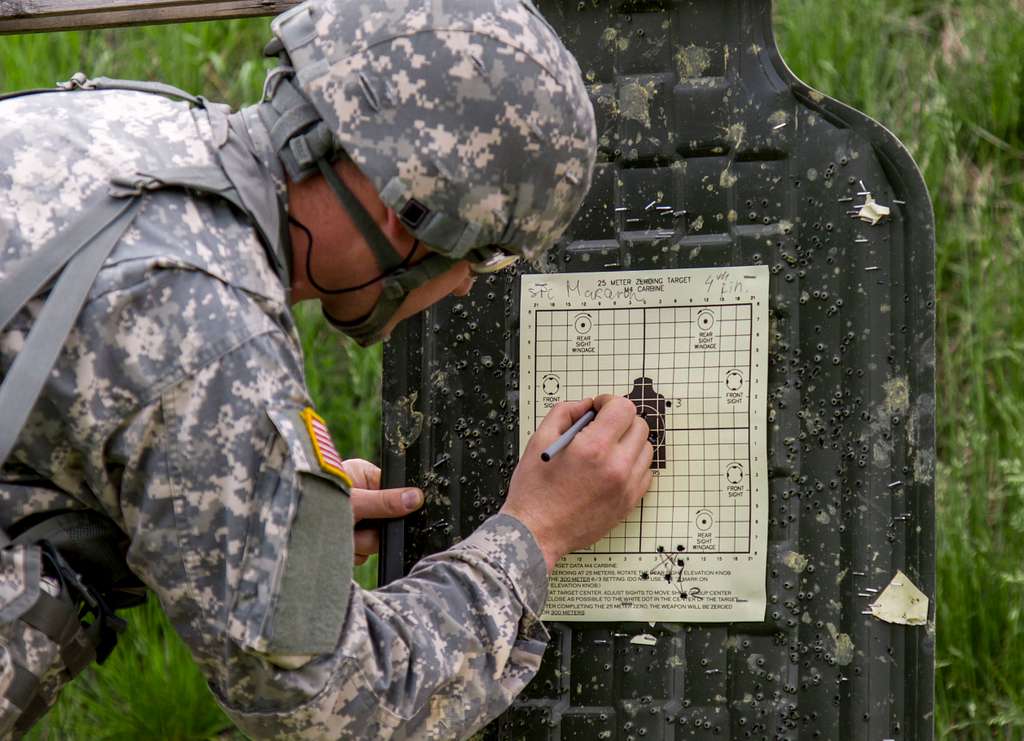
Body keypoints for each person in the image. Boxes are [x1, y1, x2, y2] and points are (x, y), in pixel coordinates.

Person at [0, 0, 653, 737]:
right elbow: (334, 705)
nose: (470, 283)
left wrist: (266, 513)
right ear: (400, 213)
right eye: (484, 253)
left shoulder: (126, 127)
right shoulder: (213, 334)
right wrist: (536, 532)